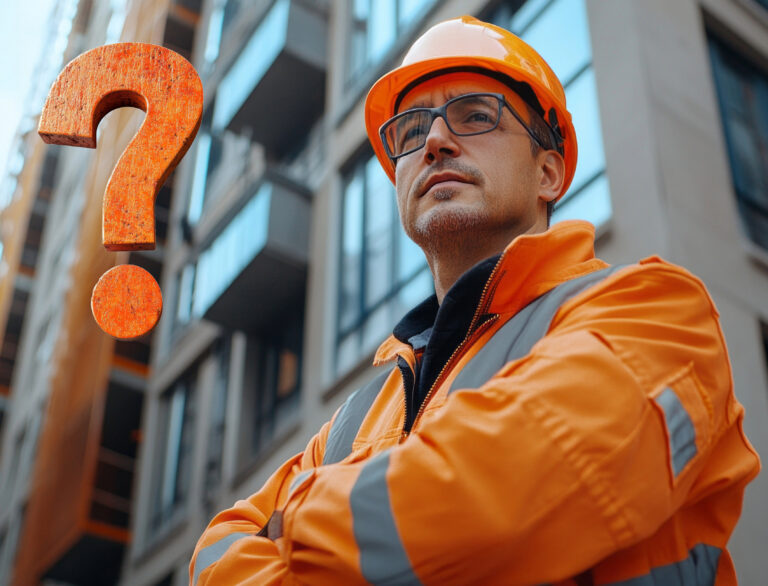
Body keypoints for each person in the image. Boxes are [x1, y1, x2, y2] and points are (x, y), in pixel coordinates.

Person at [190, 16, 759, 585]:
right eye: (411, 132)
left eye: (476, 116)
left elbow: (497, 507)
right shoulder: (350, 421)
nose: (434, 142)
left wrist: (290, 525)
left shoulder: (655, 313)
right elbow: (214, 553)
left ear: (549, 172)